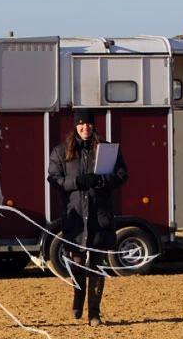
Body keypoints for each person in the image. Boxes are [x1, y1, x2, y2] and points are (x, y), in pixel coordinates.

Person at [47, 109, 128, 326]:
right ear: (76, 126)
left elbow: (122, 175)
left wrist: (101, 181)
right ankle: (78, 298)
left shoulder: (106, 150)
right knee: (77, 265)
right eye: (81, 124)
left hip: (99, 218)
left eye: (89, 124)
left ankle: (94, 313)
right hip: (75, 219)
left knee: (96, 267)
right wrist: (76, 182)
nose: (86, 128)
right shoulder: (61, 151)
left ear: (94, 126)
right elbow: (54, 179)